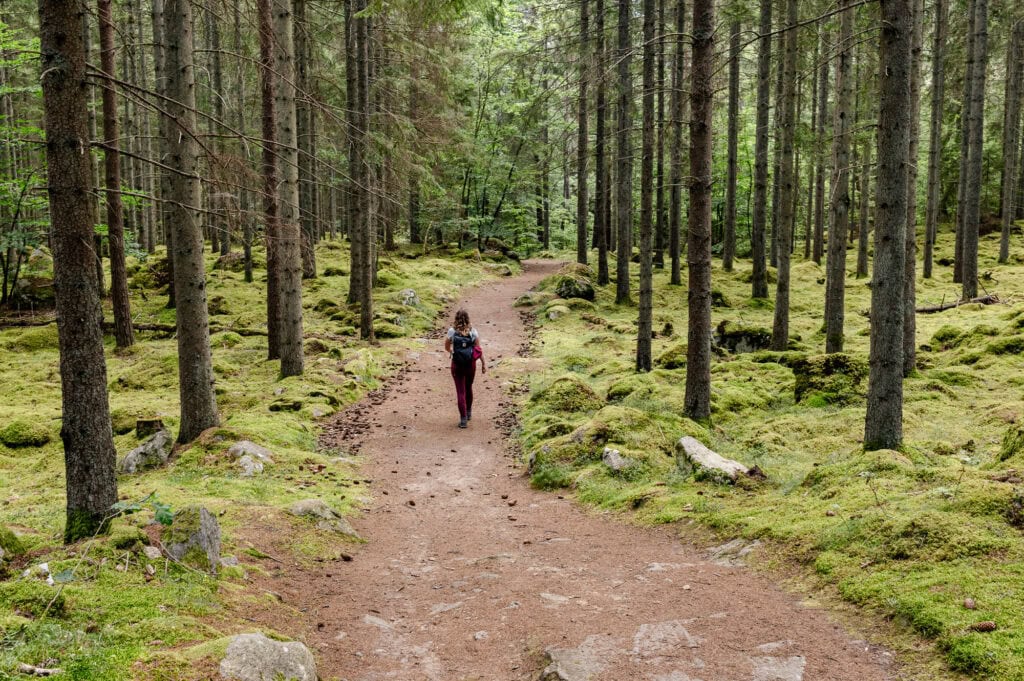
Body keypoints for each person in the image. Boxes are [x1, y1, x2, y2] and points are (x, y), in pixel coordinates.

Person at [445, 309, 485, 428]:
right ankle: (468, 412)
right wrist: (483, 364)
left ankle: (463, 420)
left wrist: (452, 352)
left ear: (456, 319)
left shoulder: (452, 331)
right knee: (468, 388)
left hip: (457, 365)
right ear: (468, 319)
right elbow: (478, 349)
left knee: (460, 392)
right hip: (470, 365)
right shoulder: (473, 331)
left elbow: (446, 346)